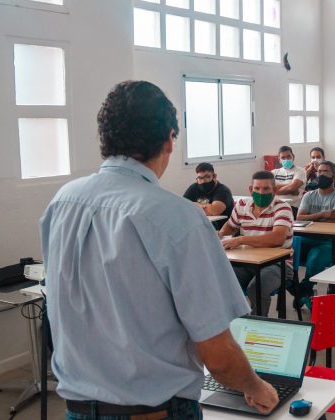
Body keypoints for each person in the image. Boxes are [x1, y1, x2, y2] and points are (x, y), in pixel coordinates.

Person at [40, 81, 278, 419]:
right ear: (169, 139)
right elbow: (219, 355)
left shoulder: (62, 202)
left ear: (104, 138)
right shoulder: (177, 218)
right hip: (154, 410)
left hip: (77, 407)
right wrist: (255, 386)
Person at [218, 171, 295, 316]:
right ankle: (238, 323)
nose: (261, 192)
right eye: (257, 189)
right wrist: (220, 235)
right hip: (247, 262)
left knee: (257, 287)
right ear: (250, 190)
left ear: (275, 190)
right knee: (222, 280)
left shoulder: (282, 207)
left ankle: (257, 326)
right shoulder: (241, 205)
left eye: (266, 189)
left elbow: (277, 238)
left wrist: (241, 239)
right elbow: (230, 226)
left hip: (278, 264)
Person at [295, 161, 335, 307]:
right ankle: (302, 293)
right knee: (282, 262)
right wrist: (324, 214)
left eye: (325, 171)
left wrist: (311, 217)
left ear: (334, 176)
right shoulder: (309, 196)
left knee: (314, 261)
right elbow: (299, 217)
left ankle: (302, 292)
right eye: (319, 172)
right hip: (305, 239)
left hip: (327, 242)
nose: (320, 175)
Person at [272, 145, 306, 215]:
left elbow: (292, 188)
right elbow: (268, 190)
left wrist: (276, 188)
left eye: (288, 156)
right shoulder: (273, 172)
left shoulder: (300, 171)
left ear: (293, 156)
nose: (286, 159)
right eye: (283, 158)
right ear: (279, 160)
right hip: (274, 205)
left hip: (292, 206)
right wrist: (291, 186)